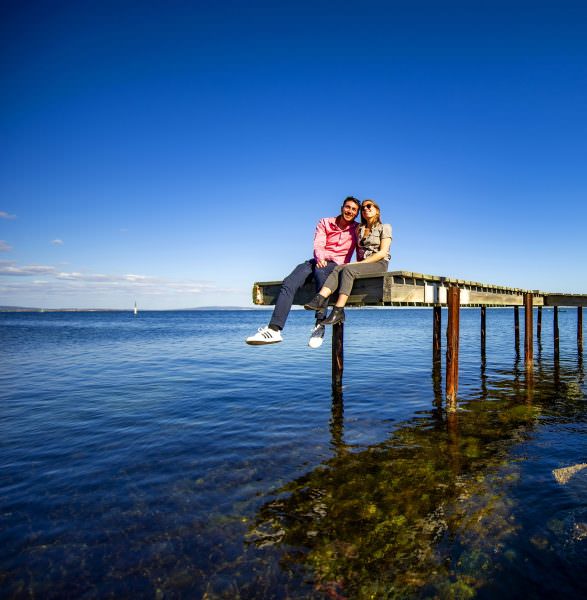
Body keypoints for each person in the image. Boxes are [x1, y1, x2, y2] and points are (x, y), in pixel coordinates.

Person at [246, 197, 361, 347]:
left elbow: (361, 250)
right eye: (348, 207)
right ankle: (274, 330)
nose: (350, 211)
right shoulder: (325, 222)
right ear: (342, 207)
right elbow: (319, 243)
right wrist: (320, 257)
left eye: (354, 210)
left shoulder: (357, 229)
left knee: (321, 274)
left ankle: (320, 325)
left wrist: (358, 267)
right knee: (289, 282)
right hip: (318, 260)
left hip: (337, 265)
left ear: (357, 213)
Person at [304, 199, 391, 325]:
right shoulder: (359, 229)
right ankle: (320, 298)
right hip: (363, 265)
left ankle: (338, 310)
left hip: (379, 264)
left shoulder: (385, 227)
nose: (365, 209)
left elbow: (383, 253)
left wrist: (358, 264)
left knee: (348, 269)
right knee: (339, 267)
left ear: (377, 210)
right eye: (363, 208)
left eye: (369, 206)